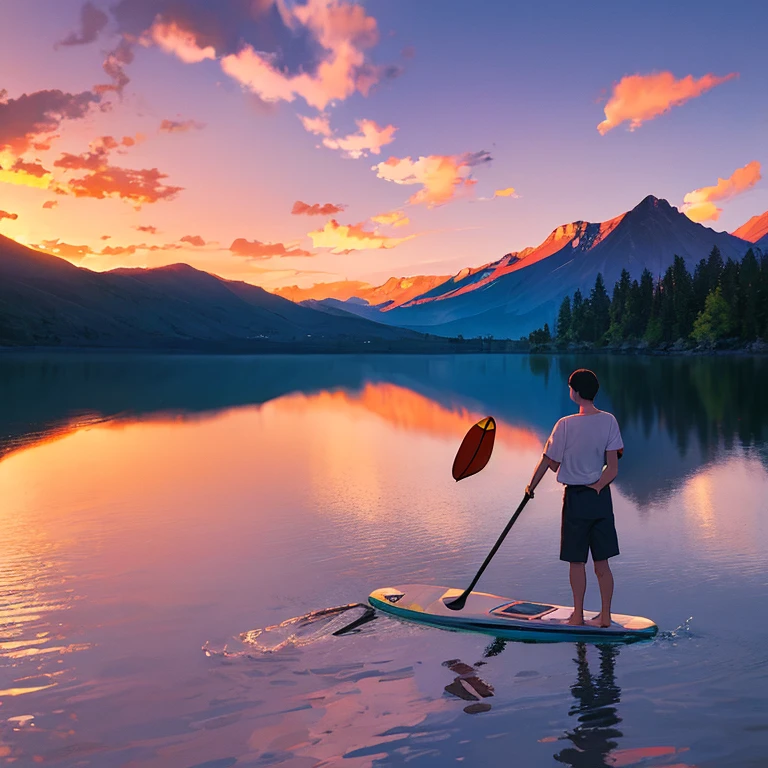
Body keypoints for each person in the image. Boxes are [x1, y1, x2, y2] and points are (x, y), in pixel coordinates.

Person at [525, 369, 623, 627]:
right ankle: (605, 617)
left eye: (570, 387)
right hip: (601, 498)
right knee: (602, 562)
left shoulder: (565, 425)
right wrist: (598, 486)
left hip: (576, 499)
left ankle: (578, 615)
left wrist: (530, 487)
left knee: (576, 561)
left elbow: (550, 463)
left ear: (576, 393)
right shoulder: (609, 421)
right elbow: (612, 468)